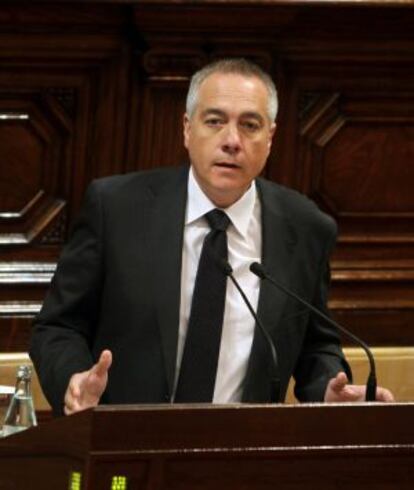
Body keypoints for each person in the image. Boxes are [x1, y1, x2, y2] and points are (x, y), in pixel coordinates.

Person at [30, 59, 393, 416]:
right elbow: (59, 326)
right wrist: (72, 380)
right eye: (215, 121)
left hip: (240, 460)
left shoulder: (306, 228)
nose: (232, 141)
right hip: (122, 452)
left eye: (250, 125)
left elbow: (315, 348)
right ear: (188, 129)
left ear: (270, 138)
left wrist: (329, 394)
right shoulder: (117, 209)